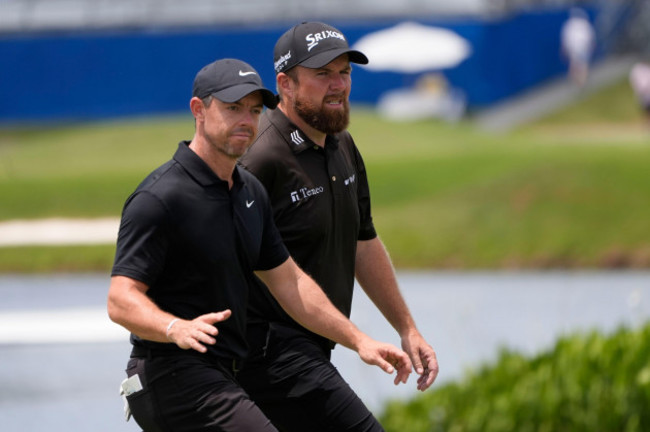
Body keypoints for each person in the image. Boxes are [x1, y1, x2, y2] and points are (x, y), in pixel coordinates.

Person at [107, 58, 412, 432]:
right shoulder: (161, 197)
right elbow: (120, 298)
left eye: (254, 111)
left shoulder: (249, 191)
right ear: (198, 110)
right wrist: (175, 328)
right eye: (233, 108)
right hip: (169, 373)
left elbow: (291, 283)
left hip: (226, 373)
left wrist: (359, 341)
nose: (246, 121)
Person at [237, 22, 439, 431]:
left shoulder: (342, 144)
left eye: (344, 72)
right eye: (322, 74)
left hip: (313, 347)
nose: (338, 85)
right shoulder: (260, 158)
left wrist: (407, 328)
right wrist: (359, 339)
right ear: (285, 84)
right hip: (265, 353)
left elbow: (362, 241)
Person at [561, 8, 596, 87]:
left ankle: (578, 81)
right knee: (582, 64)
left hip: (574, 47)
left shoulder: (569, 24)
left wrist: (564, 49)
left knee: (576, 64)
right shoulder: (582, 23)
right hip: (581, 46)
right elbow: (590, 36)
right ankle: (581, 81)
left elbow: (565, 39)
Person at [629, 59, 650, 127]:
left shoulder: (647, 68)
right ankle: (646, 125)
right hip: (643, 94)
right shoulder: (637, 69)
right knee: (646, 110)